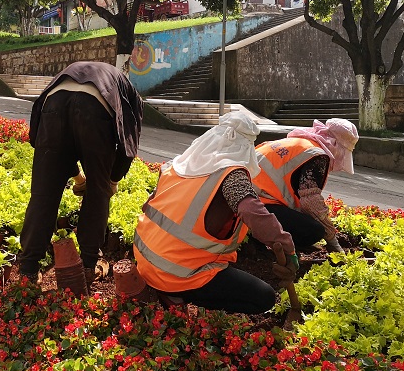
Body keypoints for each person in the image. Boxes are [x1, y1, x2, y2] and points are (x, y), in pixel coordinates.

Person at [133, 112, 298, 315]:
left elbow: (148, 207)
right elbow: (251, 211)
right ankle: (177, 295)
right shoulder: (231, 175)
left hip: (144, 259)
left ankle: (172, 289)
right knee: (264, 298)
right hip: (177, 273)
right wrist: (287, 247)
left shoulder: (180, 164)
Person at [19, 60, 143, 289]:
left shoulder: (78, 72)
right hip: (94, 109)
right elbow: (128, 145)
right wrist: (110, 181)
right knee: (97, 193)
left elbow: (55, 147)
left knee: (43, 195)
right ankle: (88, 265)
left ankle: (28, 270)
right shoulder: (130, 94)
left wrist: (77, 178)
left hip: (53, 103)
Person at [252, 118, 359, 253]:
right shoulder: (317, 155)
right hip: (256, 206)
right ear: (336, 145)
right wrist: (332, 239)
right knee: (313, 231)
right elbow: (310, 202)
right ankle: (259, 239)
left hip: (245, 201)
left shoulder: (303, 143)